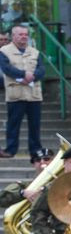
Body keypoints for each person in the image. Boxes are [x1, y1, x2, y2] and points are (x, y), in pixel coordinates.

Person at [0, 25, 44, 158]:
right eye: (20, 34)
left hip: (34, 95)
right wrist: (24, 75)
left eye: (26, 34)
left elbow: (42, 69)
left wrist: (32, 76)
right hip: (16, 94)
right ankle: (10, 150)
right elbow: (7, 68)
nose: (24, 37)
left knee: (35, 125)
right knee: (13, 124)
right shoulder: (4, 51)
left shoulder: (35, 51)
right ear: (13, 36)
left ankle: (36, 150)